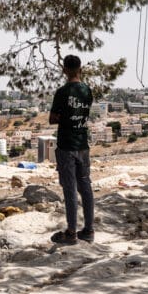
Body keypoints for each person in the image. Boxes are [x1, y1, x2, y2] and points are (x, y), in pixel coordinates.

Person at [48, 54, 95, 245]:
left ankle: (71, 232)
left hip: (66, 145)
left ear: (64, 70)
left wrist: (64, 117)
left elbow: (52, 118)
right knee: (86, 186)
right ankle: (89, 230)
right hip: (82, 144)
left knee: (70, 189)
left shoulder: (62, 92)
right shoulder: (87, 91)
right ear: (80, 69)